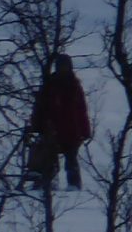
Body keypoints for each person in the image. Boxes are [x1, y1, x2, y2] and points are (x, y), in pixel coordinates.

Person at [29, 53, 92, 190]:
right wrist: (36, 125)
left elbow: (81, 110)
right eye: (61, 66)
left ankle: (74, 186)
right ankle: (46, 184)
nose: (63, 69)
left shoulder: (74, 86)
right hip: (52, 130)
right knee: (49, 159)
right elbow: (40, 107)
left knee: (71, 160)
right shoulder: (50, 85)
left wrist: (85, 130)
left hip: (72, 131)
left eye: (65, 66)